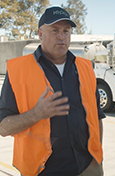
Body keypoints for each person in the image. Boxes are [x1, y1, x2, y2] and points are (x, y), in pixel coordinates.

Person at [0, 6, 105, 176]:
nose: (61, 36)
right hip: (41, 170)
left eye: (66, 31)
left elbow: (97, 116)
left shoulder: (85, 68)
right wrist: (36, 113)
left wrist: (98, 154)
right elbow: (3, 127)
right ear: (40, 34)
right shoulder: (18, 70)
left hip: (87, 167)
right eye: (54, 30)